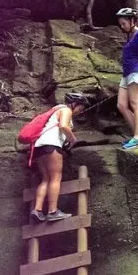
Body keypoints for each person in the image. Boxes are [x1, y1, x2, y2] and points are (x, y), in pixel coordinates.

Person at [29, 93, 90, 222]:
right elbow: (63, 126)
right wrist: (73, 140)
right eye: (81, 107)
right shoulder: (66, 109)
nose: (81, 111)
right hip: (52, 145)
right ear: (74, 104)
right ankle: (52, 212)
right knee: (55, 178)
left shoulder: (55, 110)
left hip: (39, 147)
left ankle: (37, 210)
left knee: (46, 179)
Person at [115, 7, 138, 150]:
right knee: (121, 105)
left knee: (135, 104)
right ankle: (137, 134)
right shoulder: (130, 37)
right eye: (121, 24)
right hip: (126, 74)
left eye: (124, 23)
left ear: (132, 21)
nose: (122, 27)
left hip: (136, 73)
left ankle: (137, 137)